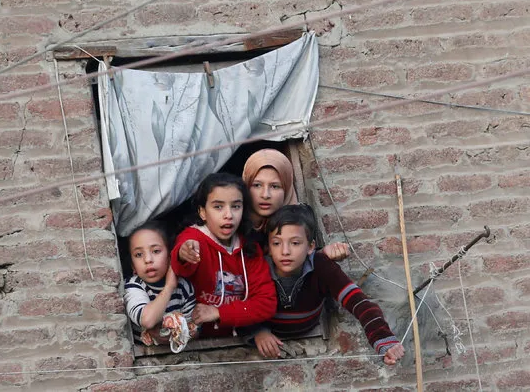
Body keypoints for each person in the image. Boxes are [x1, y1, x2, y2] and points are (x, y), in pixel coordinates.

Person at [252, 204, 405, 365]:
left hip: (310, 326)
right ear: (268, 248)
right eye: (276, 243)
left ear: (311, 247)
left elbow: (359, 302)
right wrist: (257, 331)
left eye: (295, 243)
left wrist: (384, 341)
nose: (285, 251)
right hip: (270, 331)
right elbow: (236, 301)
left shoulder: (321, 265)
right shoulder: (257, 269)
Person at [171, 173, 277, 338]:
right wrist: (183, 253)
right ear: (202, 212)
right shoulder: (194, 239)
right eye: (218, 207)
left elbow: (266, 303)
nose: (228, 215)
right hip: (196, 341)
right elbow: (181, 262)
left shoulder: (250, 248)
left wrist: (217, 312)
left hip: (238, 339)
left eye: (235, 206)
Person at [242, 148, 350, 261]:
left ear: (287, 189)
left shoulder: (299, 219)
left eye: (275, 186)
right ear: (246, 186)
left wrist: (321, 255)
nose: (265, 195)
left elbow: (299, 262)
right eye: (257, 185)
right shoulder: (231, 225)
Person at [123, 221, 196, 345]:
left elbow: (193, 327)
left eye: (156, 251)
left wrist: (184, 334)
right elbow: (147, 320)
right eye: (139, 254)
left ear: (169, 256)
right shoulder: (133, 285)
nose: (148, 260)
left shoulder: (184, 287)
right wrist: (168, 287)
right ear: (133, 266)